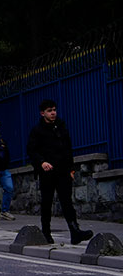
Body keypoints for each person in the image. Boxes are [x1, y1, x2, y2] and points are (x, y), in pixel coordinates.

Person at [27, 99, 93, 246]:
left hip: (63, 170)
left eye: (54, 110)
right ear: (42, 113)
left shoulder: (61, 127)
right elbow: (31, 150)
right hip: (47, 172)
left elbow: (68, 149)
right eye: (50, 111)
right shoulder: (37, 130)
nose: (53, 113)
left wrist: (71, 168)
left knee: (67, 202)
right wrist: (42, 162)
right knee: (47, 202)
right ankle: (46, 232)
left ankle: (75, 231)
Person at [0, 119, 15, 220]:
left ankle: (5, 211)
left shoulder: (2, 140)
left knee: (9, 188)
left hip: (3, 168)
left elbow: (6, 152)